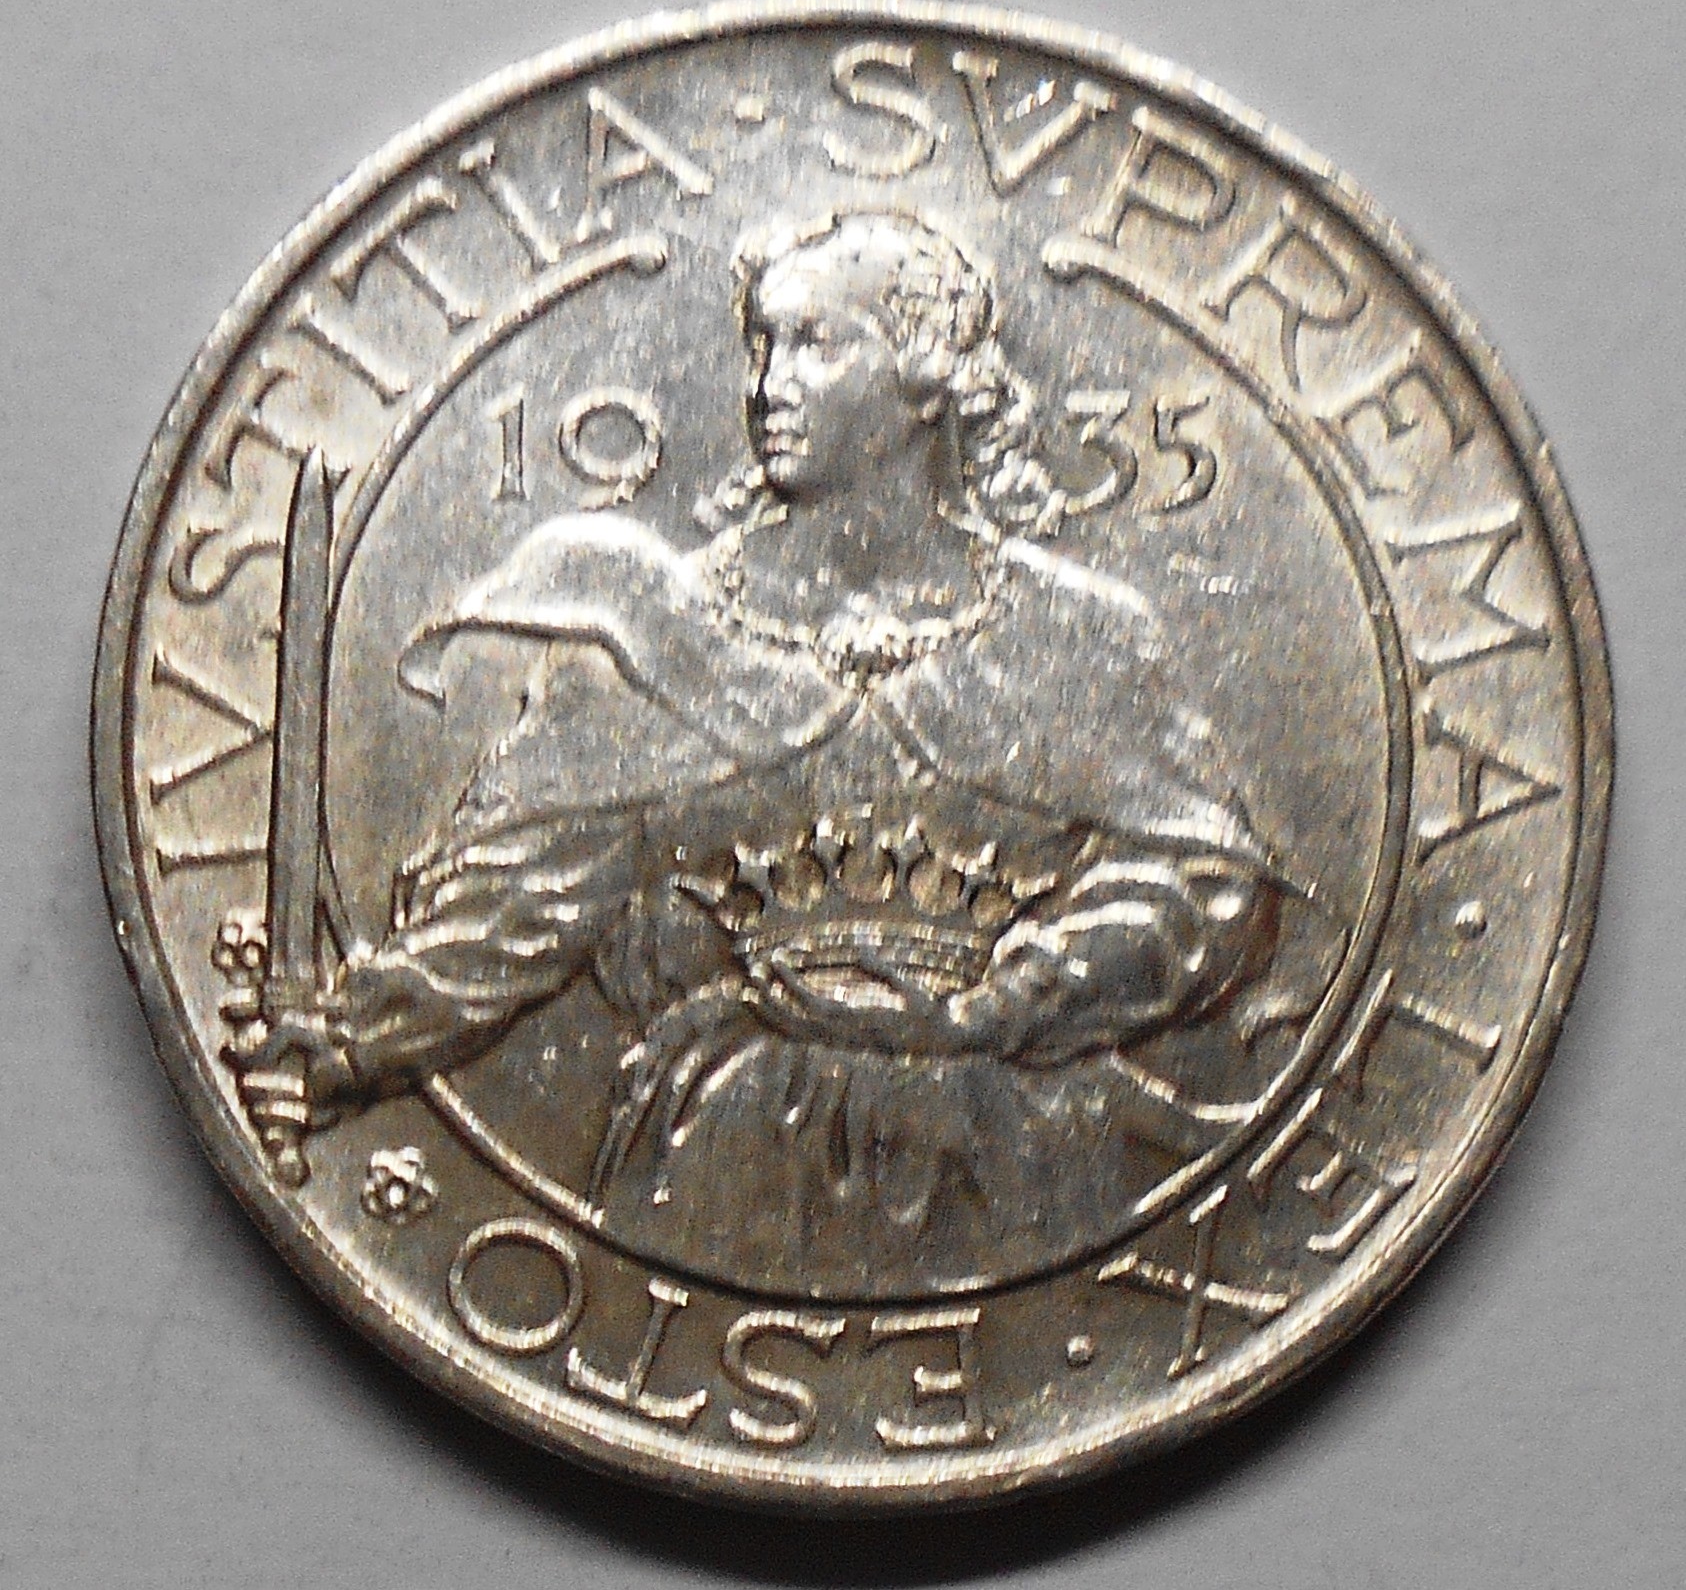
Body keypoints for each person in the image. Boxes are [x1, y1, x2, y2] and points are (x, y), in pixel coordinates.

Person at [245, 211, 1330, 1293]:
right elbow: (519, 906)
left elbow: (1198, 887)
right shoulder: (657, 627)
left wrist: (1000, 1004)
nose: (769, 385)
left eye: (818, 343)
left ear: (927, 376)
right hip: (724, 1151)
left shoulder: (1078, 631)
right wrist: (345, 1041)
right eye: (764, 344)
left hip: (1033, 1157)